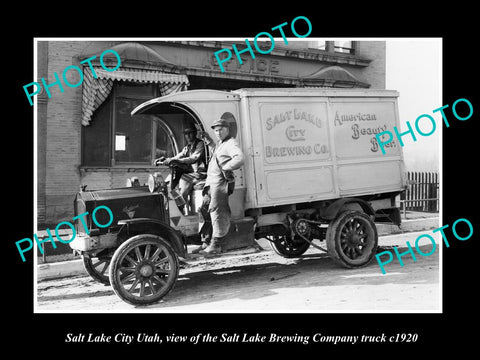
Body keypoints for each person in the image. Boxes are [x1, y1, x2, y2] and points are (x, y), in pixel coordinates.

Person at [193, 118, 244, 255]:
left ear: (227, 130)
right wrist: (208, 140)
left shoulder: (231, 143)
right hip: (210, 184)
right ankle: (206, 242)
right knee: (204, 210)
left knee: (217, 212)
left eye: (221, 129)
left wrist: (227, 167)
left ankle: (216, 245)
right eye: (216, 130)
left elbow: (239, 158)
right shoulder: (221, 144)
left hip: (219, 185)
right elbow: (216, 152)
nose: (218, 132)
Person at [154, 127, 206, 210]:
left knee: (184, 179)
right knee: (170, 179)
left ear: (195, 133)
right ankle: (169, 201)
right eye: (186, 134)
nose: (188, 136)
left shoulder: (200, 144)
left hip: (200, 173)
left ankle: (179, 207)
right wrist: (165, 159)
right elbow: (177, 157)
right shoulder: (187, 147)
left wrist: (175, 160)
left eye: (190, 133)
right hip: (192, 172)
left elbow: (193, 158)